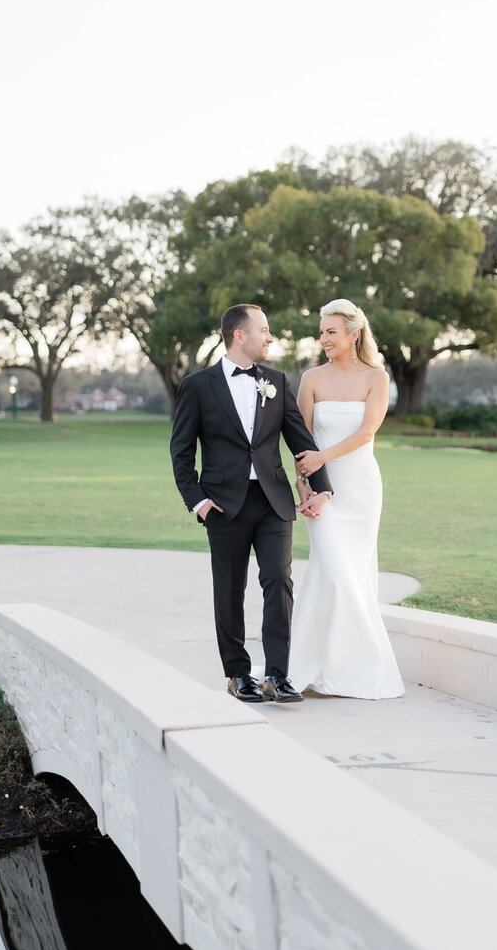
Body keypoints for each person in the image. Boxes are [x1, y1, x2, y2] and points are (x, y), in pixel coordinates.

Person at [170, 304, 333, 704]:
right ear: (239, 335)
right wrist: (199, 502)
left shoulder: (276, 381)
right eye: (264, 330)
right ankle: (238, 674)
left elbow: (299, 439)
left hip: (273, 500)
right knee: (229, 589)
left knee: (278, 581)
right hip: (223, 505)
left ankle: (277, 674)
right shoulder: (198, 385)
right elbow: (181, 451)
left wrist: (321, 486)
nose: (271, 337)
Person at [288, 298, 405, 699]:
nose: (323, 339)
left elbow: (366, 432)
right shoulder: (311, 378)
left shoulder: (377, 377)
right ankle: (310, 666)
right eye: (321, 332)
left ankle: (351, 670)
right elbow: (299, 439)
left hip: (360, 486)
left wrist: (323, 455)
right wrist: (306, 487)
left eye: (331, 332)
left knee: (348, 575)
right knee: (333, 573)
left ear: (353, 334)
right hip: (320, 489)